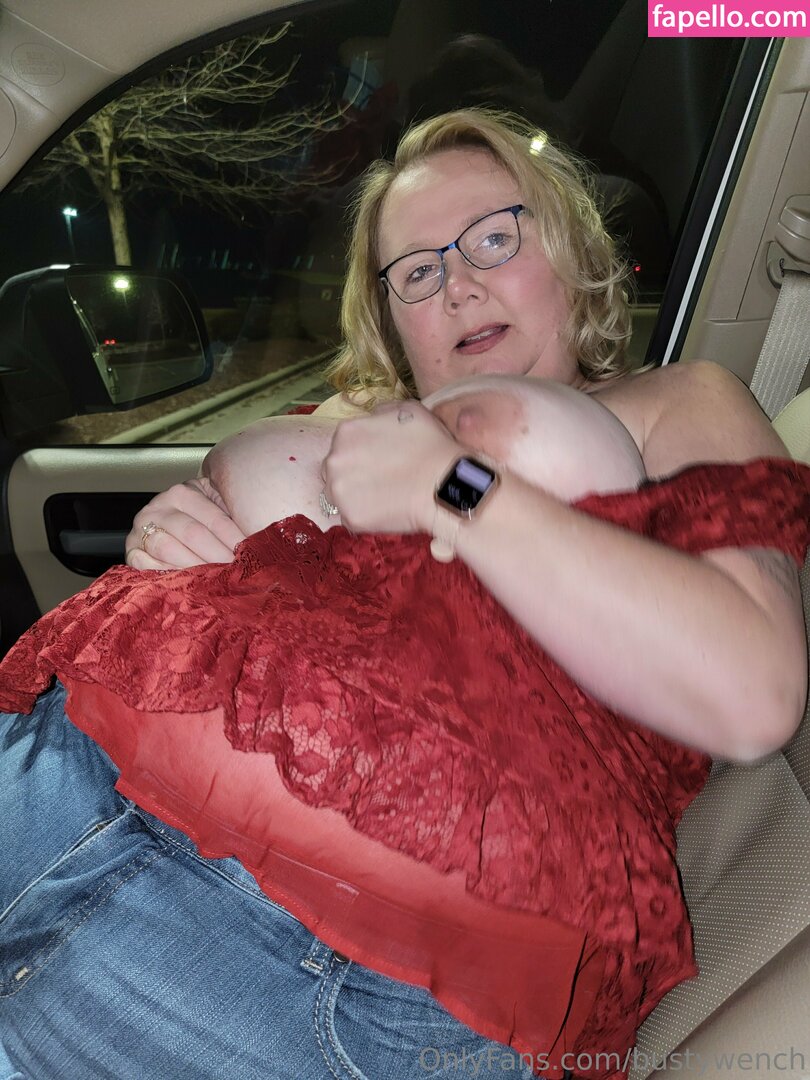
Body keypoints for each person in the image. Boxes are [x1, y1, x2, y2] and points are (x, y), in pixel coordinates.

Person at [2, 108, 809, 1080]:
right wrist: (178, 540)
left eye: (494, 239)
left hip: (314, 955)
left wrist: (452, 489)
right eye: (417, 272)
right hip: (58, 771)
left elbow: (752, 692)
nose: (457, 283)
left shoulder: (679, 403)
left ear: (575, 256)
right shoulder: (368, 416)